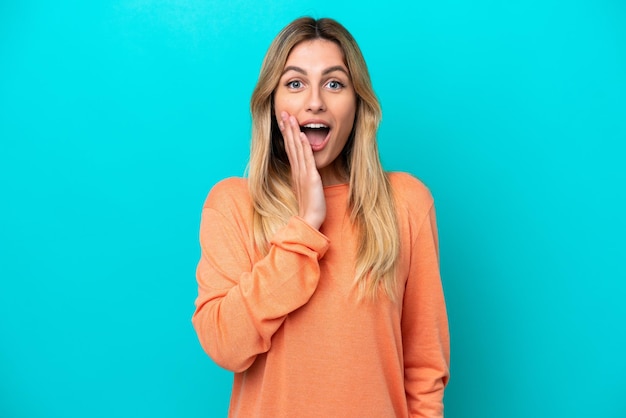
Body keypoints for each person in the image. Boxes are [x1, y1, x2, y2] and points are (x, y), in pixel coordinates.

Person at [192, 16, 450, 418]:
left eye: (334, 83)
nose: (316, 101)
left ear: (357, 103)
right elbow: (225, 344)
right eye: (295, 83)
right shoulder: (232, 205)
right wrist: (306, 224)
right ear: (272, 103)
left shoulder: (406, 202)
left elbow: (425, 369)